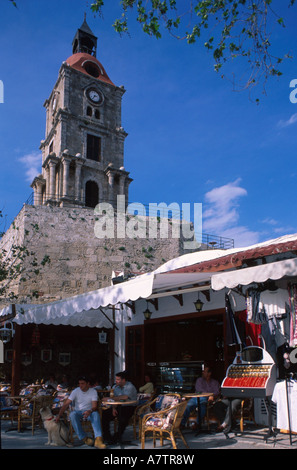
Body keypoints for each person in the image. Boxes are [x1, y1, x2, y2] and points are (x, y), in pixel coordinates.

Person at [55, 375, 106, 449]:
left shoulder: (93, 391)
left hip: (89, 411)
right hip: (78, 412)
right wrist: (59, 416)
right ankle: (84, 438)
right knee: (72, 415)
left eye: (82, 383)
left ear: (88, 384)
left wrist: (90, 411)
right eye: (79, 383)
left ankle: (98, 440)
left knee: (96, 414)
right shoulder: (76, 391)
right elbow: (66, 404)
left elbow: (94, 406)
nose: (80, 385)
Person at [102, 371, 137, 444]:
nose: (116, 381)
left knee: (123, 417)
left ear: (123, 380)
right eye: (116, 379)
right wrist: (114, 408)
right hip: (118, 406)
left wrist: (111, 398)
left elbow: (124, 397)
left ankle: (117, 436)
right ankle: (107, 436)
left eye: (118, 379)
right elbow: (116, 399)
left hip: (129, 406)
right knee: (105, 414)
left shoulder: (130, 386)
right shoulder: (116, 387)